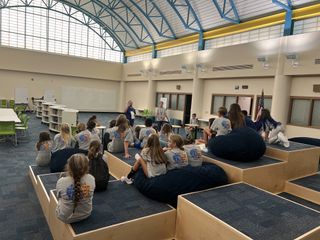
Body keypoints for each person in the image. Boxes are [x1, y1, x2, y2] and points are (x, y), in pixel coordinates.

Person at [55, 154, 95, 223]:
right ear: (86, 167)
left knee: (60, 198)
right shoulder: (91, 178)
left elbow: (59, 197)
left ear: (69, 167)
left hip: (65, 217)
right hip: (86, 213)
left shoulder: (61, 181)